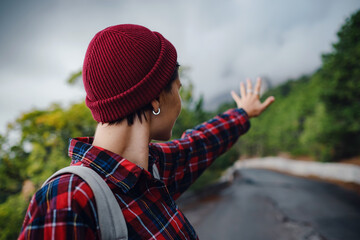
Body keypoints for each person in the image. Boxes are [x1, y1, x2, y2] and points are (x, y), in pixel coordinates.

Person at [18, 24, 274, 239]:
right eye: (178, 89)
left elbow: (199, 143)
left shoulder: (151, 170)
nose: (180, 102)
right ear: (155, 99)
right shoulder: (65, 199)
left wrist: (242, 113)